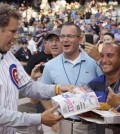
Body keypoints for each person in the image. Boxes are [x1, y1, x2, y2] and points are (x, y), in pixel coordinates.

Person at [0, 3, 74, 134]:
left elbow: (28, 86)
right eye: (12, 31)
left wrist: (56, 89)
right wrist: (38, 118)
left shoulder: (9, 57)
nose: (16, 36)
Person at [40, 23, 103, 134]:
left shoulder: (93, 61)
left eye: (70, 36)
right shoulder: (50, 66)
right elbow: (43, 94)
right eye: (62, 36)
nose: (65, 40)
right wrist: (54, 116)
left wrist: (99, 59)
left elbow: (108, 84)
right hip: (63, 124)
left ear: (80, 39)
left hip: (90, 125)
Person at [88, 43, 120, 134]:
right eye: (101, 56)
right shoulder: (94, 83)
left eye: (110, 56)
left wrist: (118, 105)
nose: (104, 60)